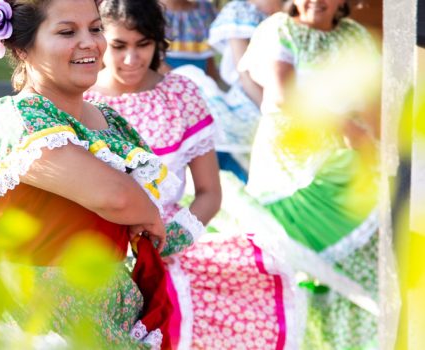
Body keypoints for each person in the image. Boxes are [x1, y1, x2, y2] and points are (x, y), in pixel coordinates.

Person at [0, 0, 187, 346]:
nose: (89, 42)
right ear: (22, 47)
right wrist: (147, 212)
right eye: (67, 31)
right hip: (34, 312)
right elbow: (114, 197)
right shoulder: (15, 119)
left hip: (106, 306)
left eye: (96, 28)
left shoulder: (108, 120)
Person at [86, 0, 300, 348]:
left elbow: (209, 192)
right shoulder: (80, 99)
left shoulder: (180, 95)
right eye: (119, 46)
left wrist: (171, 241)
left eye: (143, 44)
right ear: (98, 41)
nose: (131, 59)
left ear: (158, 43)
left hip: (169, 249)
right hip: (95, 250)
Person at [238, 0, 384, 347]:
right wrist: (343, 125)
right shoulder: (280, 29)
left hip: (348, 156)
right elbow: (279, 97)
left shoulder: (356, 36)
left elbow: (372, 104)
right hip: (292, 164)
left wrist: (379, 147)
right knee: (300, 266)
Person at [175, 0, 283, 183]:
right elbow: (245, 74)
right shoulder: (240, 11)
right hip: (257, 99)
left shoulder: (297, 8)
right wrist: (271, 112)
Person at [159, 0, 218, 75]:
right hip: (168, 76)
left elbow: (208, 54)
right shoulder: (151, 11)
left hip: (201, 74)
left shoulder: (205, 8)